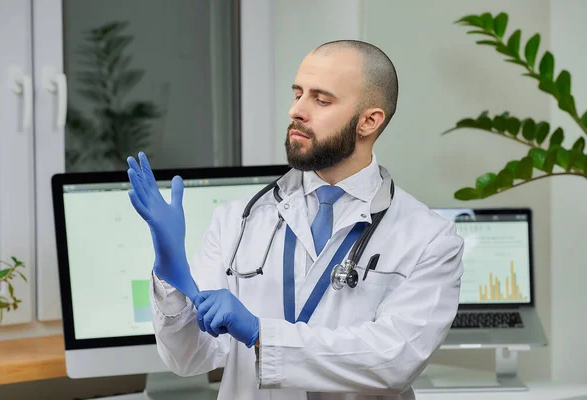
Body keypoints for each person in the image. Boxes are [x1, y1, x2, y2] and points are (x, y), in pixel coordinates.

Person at [126, 40, 464, 400]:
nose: (296, 110)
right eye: (298, 93)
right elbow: (188, 357)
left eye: (321, 99)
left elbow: (392, 362)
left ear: (369, 121)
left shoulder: (429, 240)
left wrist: (260, 334)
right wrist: (170, 276)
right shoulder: (237, 221)